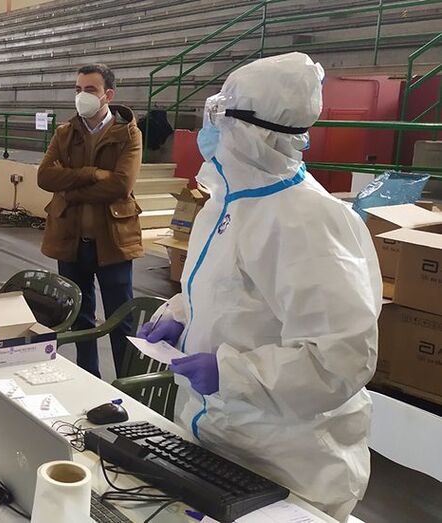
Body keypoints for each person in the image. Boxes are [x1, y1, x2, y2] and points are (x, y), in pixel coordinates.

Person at [137, 52, 380, 522]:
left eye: (220, 114)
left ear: (255, 131)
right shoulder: (225, 204)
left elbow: (340, 358)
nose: (209, 128)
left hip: (286, 466)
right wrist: (179, 316)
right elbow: (225, 294)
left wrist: (231, 374)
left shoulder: (309, 221)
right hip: (217, 441)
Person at [37, 63, 142, 378]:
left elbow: (120, 185)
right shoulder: (65, 133)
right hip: (71, 242)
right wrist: (92, 174)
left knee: (121, 319)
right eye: (78, 89)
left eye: (90, 90)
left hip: (113, 241)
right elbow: (45, 176)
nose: (82, 96)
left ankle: (127, 383)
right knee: (80, 319)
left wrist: (70, 189)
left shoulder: (129, 134)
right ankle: (89, 379)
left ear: (108, 95)